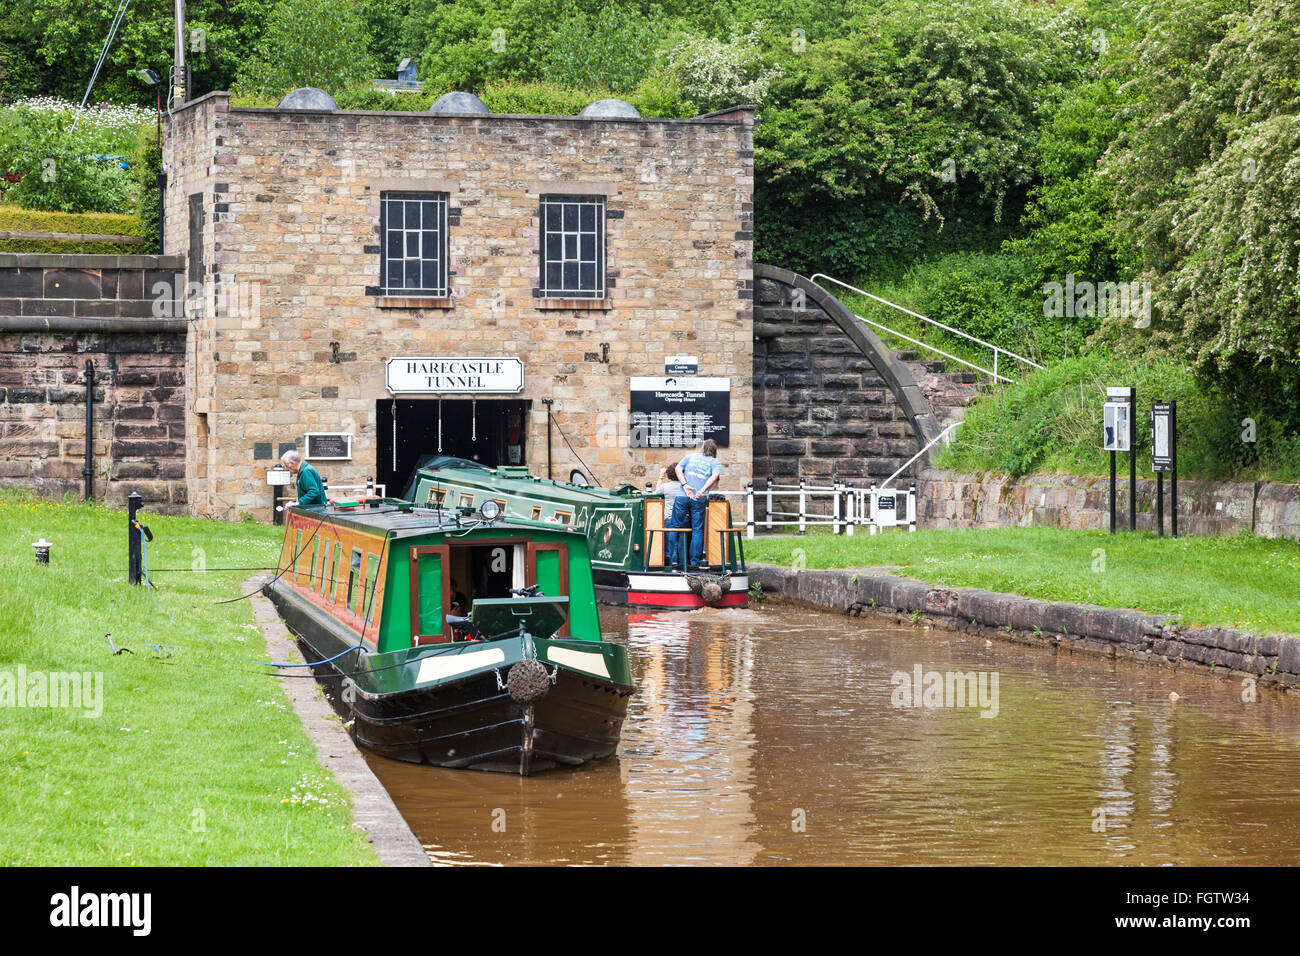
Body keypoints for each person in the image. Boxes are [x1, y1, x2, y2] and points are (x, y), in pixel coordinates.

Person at [670, 439, 721, 570]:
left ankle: (672, 560)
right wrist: (702, 490)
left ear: (703, 448)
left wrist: (685, 485)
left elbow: (678, 468)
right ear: (715, 451)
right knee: (697, 529)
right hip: (698, 498)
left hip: (682, 496)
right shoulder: (715, 463)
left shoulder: (690, 457)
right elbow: (714, 477)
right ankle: (694, 562)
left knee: (675, 526)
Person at [654, 462, 685, 567]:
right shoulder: (685, 486)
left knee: (671, 543)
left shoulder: (666, 487)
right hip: (683, 518)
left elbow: (656, 492)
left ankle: (672, 566)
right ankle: (683, 566)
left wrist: (661, 476)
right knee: (682, 544)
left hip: (669, 518)